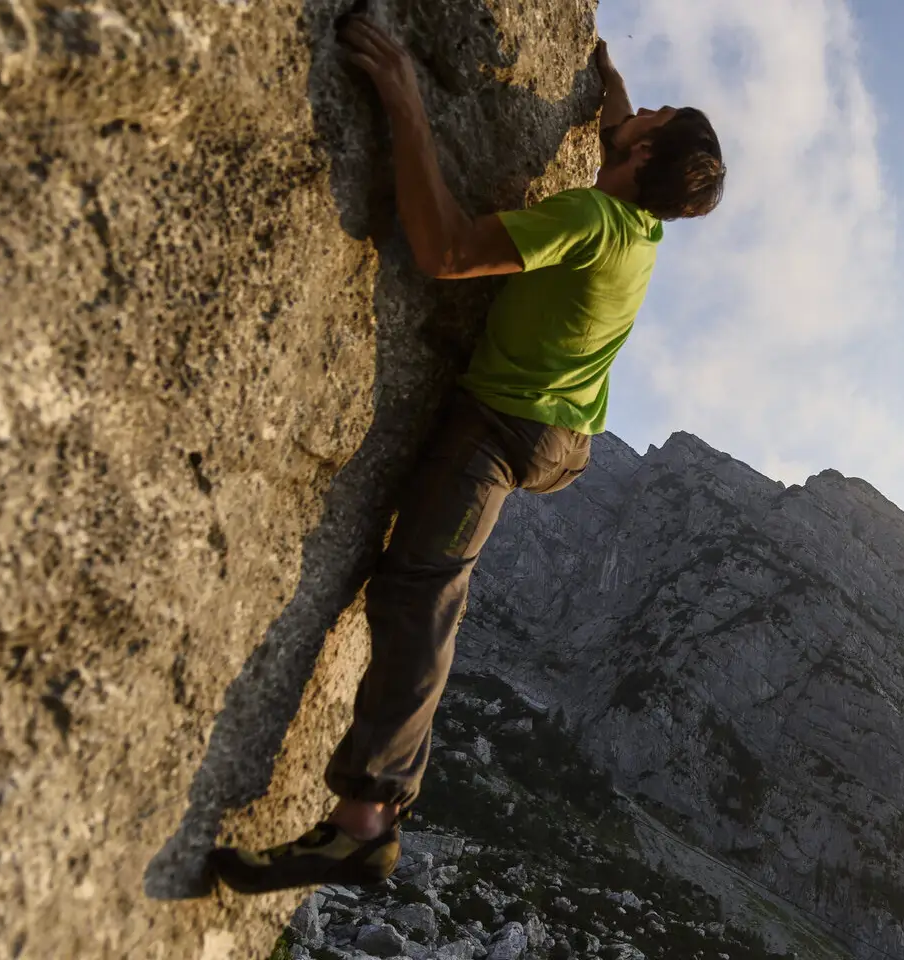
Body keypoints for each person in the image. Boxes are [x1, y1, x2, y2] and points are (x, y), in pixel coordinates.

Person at [210, 16, 724, 893]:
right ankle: (368, 808)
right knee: (425, 582)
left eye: (652, 116)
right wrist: (605, 78)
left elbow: (447, 252)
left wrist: (406, 101)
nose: (639, 112)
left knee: (420, 589)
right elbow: (623, 130)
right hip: (562, 436)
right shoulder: (644, 225)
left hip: (505, 428)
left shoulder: (594, 218)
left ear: (646, 159)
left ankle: (366, 819)